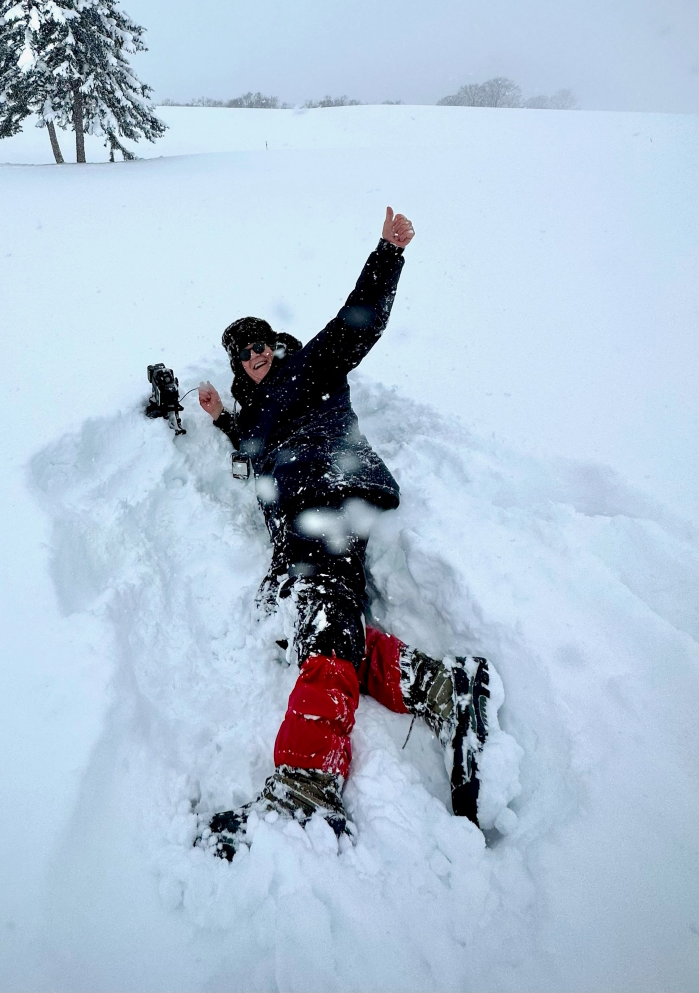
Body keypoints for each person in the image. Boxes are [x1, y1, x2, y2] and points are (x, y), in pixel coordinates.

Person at [194, 207, 498, 861]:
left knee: (328, 624)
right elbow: (249, 455)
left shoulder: (312, 368)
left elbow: (358, 323)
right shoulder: (260, 420)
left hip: (331, 506)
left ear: (275, 344)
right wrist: (222, 420)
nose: (252, 356)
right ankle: (446, 686)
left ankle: (308, 785)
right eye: (241, 352)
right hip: (296, 536)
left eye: (259, 344)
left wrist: (388, 252)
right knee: (325, 636)